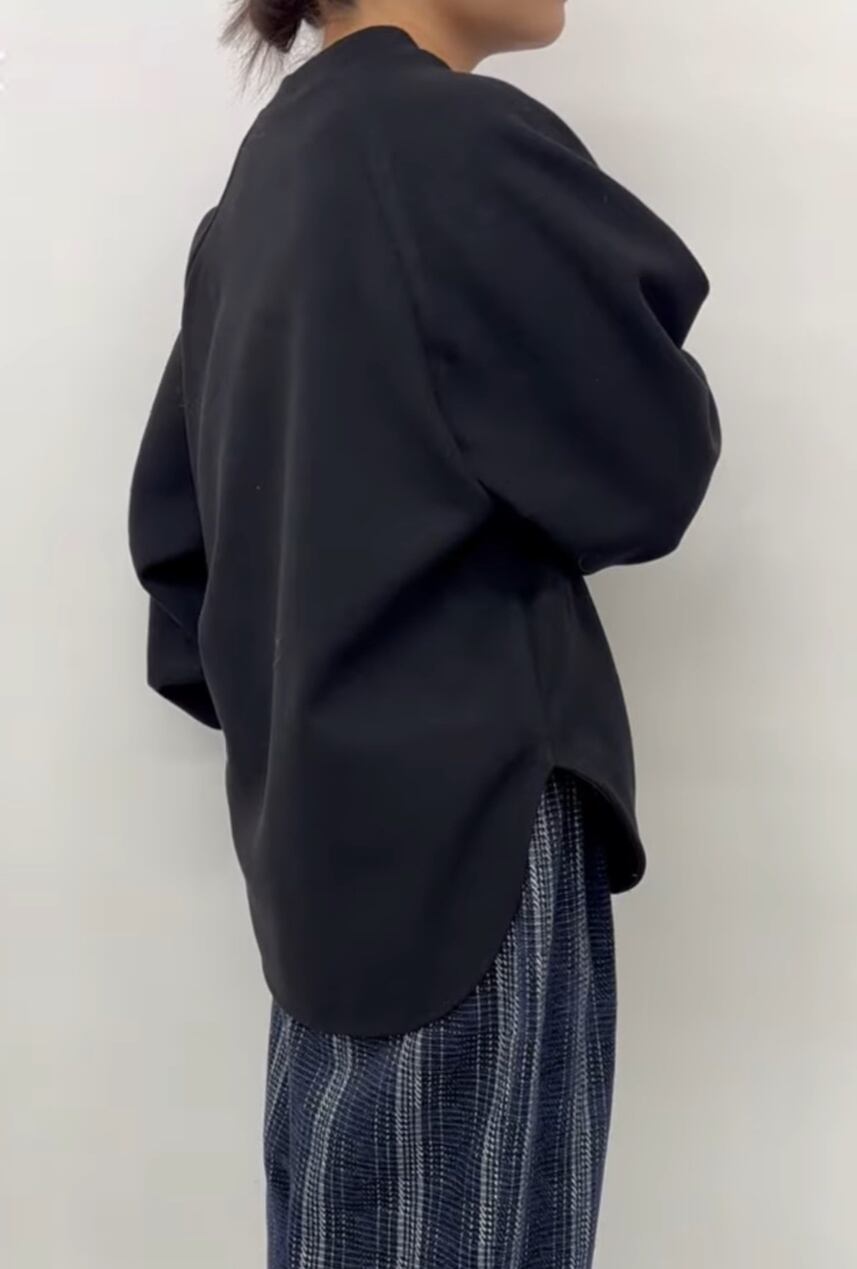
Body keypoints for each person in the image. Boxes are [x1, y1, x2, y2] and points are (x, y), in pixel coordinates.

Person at [127, 1, 721, 1265]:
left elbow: (181, 580)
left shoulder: (253, 201)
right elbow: (648, 460)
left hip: (322, 887)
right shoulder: (440, 142)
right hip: (472, 853)